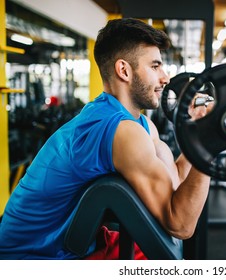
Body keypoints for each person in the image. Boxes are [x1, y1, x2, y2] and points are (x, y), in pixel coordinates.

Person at [0, 18, 212, 260]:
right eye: (155, 67)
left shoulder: (140, 124)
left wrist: (200, 133)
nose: (164, 78)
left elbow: (174, 183)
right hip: (32, 259)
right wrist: (209, 143)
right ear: (124, 70)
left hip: (76, 242)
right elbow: (181, 224)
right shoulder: (120, 130)